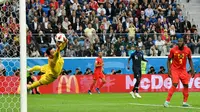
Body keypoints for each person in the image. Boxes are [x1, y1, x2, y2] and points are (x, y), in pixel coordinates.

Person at [164, 38, 195, 107]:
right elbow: (168, 60)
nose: (179, 43)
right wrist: (169, 70)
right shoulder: (173, 50)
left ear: (183, 42)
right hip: (174, 69)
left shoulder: (187, 50)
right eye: (178, 41)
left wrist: (192, 70)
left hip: (183, 70)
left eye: (181, 41)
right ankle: (167, 101)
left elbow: (190, 60)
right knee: (175, 84)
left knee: (186, 85)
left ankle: (184, 102)